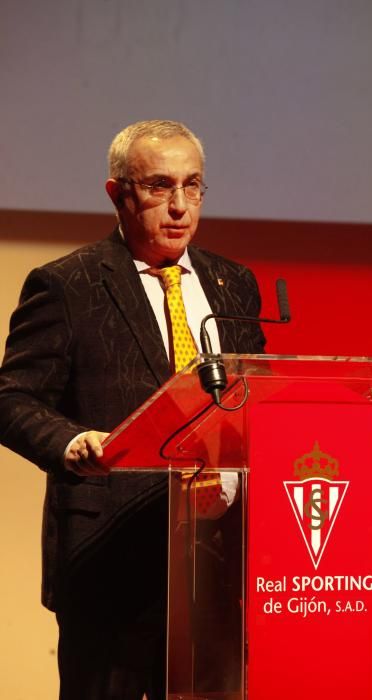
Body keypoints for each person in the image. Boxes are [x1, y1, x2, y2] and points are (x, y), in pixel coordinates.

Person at [0, 120, 266, 699]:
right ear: (117, 193)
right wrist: (73, 444)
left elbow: (253, 402)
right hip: (109, 556)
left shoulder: (234, 285)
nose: (178, 207)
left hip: (214, 555)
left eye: (192, 186)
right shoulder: (67, 285)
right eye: (158, 186)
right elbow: (13, 398)